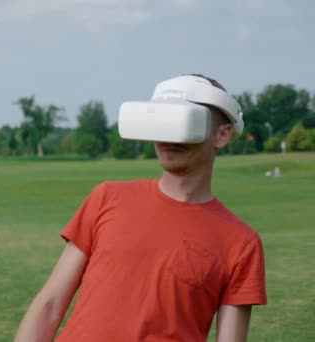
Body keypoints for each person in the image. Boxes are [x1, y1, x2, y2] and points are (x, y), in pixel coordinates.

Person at [14, 75, 267, 341]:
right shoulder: (106, 198)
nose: (169, 136)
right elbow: (50, 306)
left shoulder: (241, 243)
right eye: (163, 121)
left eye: (183, 121)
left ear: (222, 134)